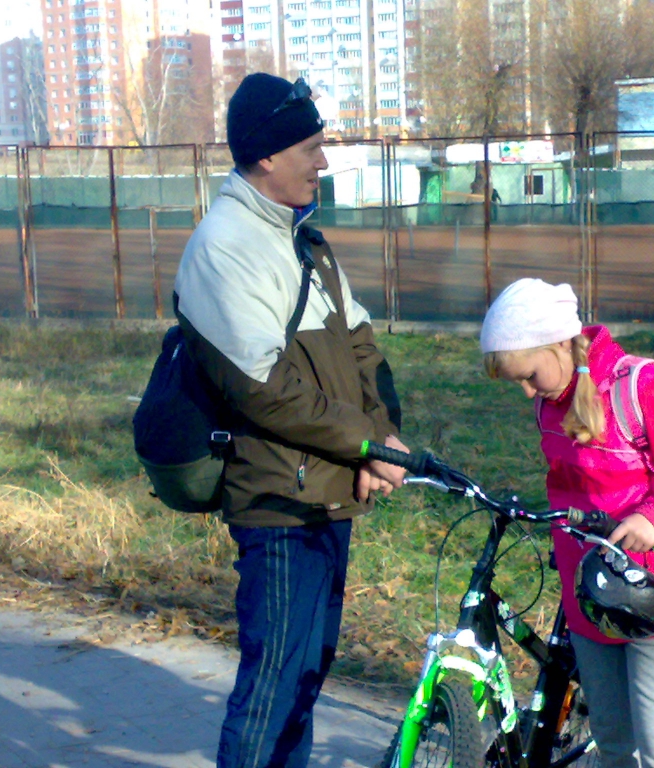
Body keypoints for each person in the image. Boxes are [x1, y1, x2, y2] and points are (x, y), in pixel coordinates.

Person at [173, 73, 408, 768]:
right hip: (279, 503)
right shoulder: (224, 246)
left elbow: (362, 347)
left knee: (303, 681)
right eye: (310, 148)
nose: (323, 162)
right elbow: (262, 390)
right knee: (274, 685)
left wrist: (381, 440)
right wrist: (364, 442)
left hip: (328, 490)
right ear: (267, 155)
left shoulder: (306, 241)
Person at [479, 278, 654, 768]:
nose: (527, 391)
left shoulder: (646, 388)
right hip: (591, 600)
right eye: (518, 382)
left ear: (560, 344)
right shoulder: (549, 403)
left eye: (529, 375)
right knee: (614, 747)